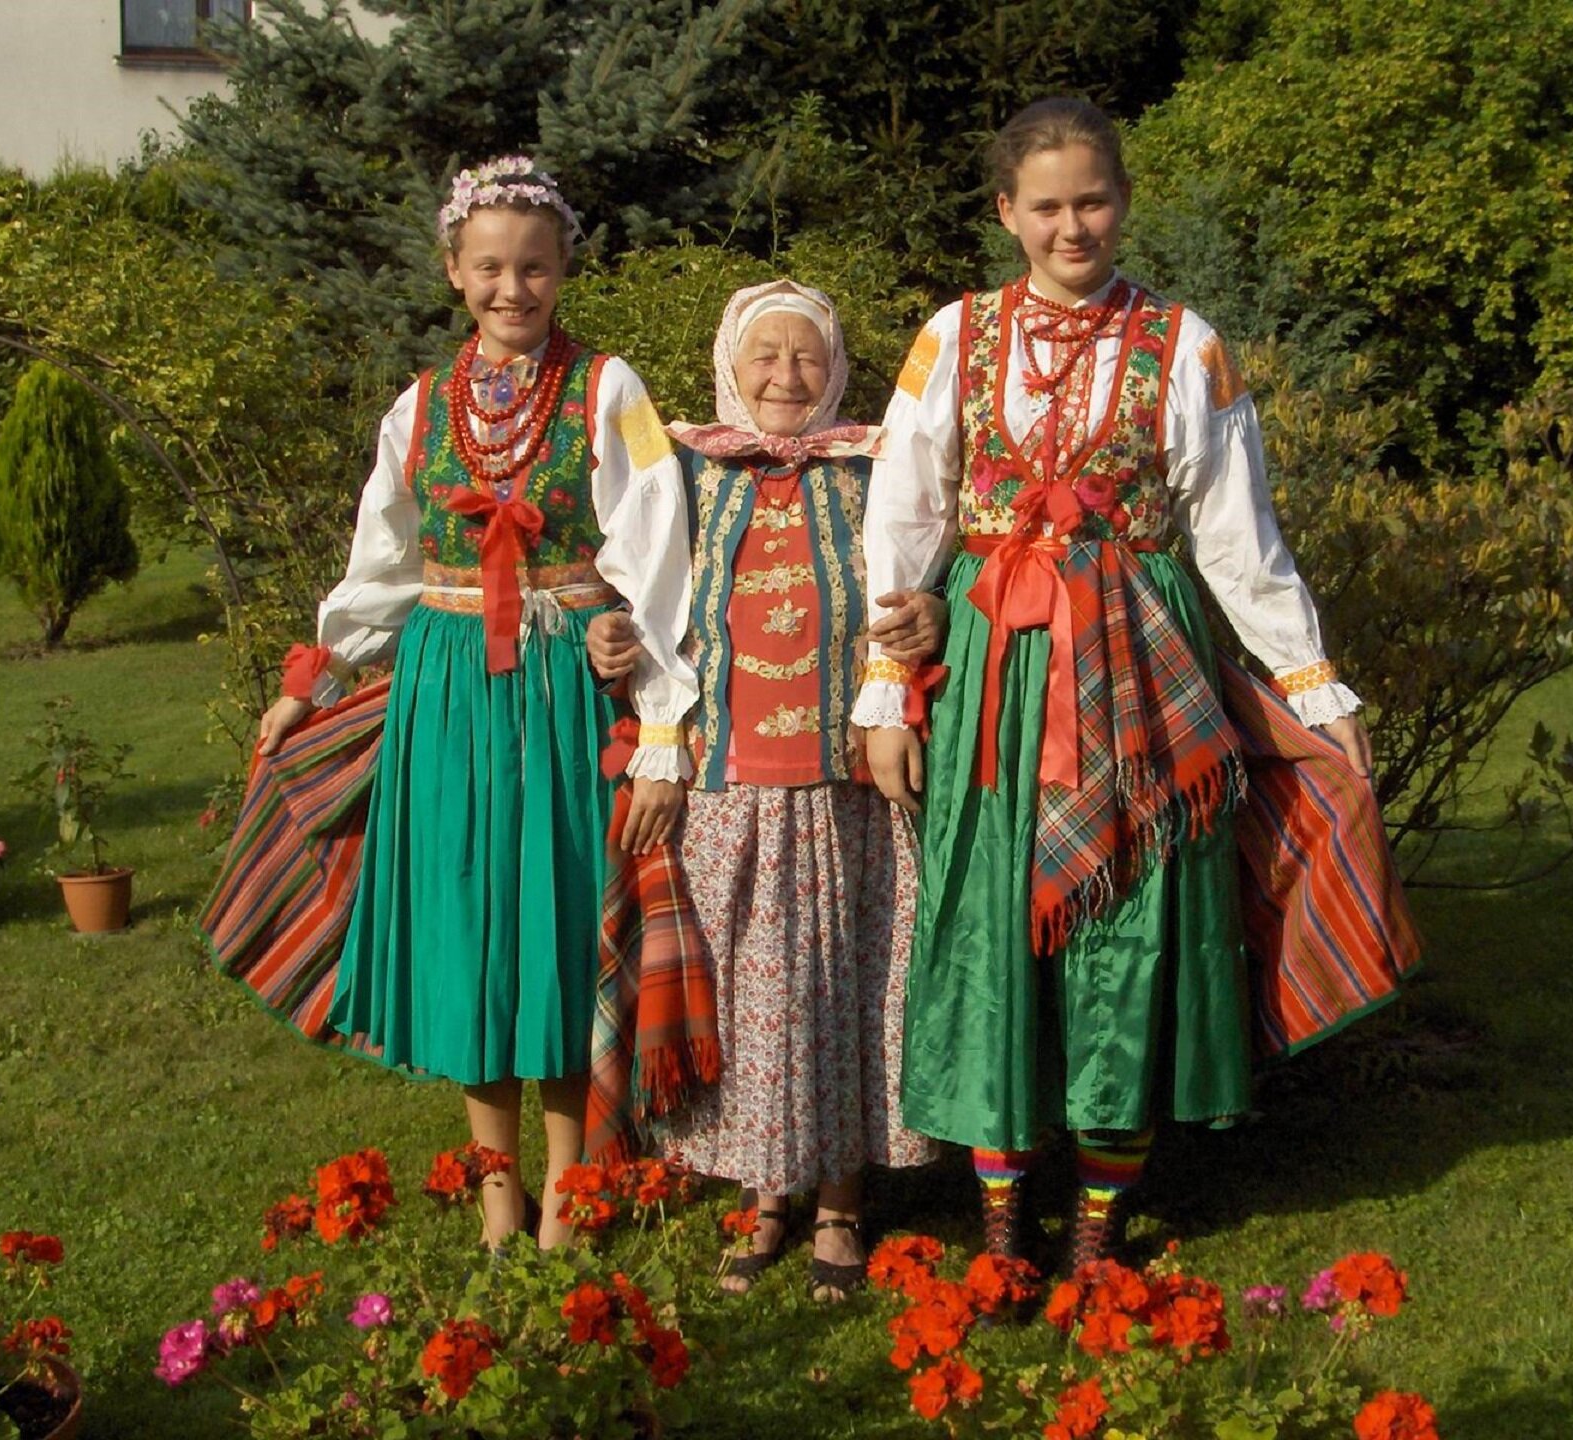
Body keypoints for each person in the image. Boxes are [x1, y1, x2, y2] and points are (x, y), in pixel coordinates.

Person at [856, 98, 1414, 1275]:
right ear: (1006, 211)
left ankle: (1100, 1226)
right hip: (997, 678)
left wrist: (1314, 685)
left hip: (1148, 678)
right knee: (992, 928)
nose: (1073, 227)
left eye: (1093, 200)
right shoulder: (953, 335)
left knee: (1135, 929)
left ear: (1124, 200)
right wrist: (883, 689)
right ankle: (1005, 1213)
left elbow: (1234, 530)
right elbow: (902, 510)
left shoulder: (1185, 340)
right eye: (1047, 205)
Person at [243, 156, 696, 1252]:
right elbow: (381, 559)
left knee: (551, 929)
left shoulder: (611, 391)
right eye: (490, 267)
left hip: (558, 696)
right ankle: (500, 1201)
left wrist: (661, 722)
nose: (513, 289)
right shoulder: (418, 406)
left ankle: (572, 1192)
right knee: (469, 937)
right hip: (447, 694)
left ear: (564, 269)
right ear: (454, 272)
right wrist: (317, 677)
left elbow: (659, 558)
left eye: (534, 268)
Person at [587, 280, 941, 1301]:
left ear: (837, 372)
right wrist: (618, 641)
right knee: (752, 996)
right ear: (728, 370)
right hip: (728, 780)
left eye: (809, 359)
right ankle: (766, 1189)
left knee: (843, 985)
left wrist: (922, 621)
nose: (788, 378)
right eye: (765, 359)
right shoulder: (687, 475)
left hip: (843, 787)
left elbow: (926, 569)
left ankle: (838, 1198)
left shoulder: (877, 471)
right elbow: (641, 588)